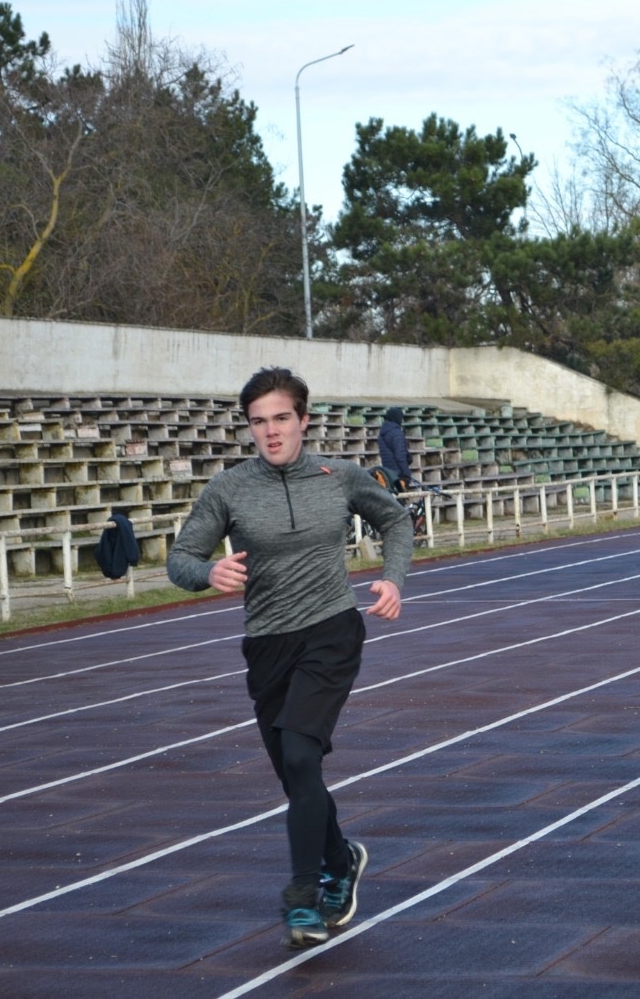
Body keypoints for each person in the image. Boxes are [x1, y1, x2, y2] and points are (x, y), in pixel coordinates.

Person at [168, 367, 414, 949]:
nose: (271, 432)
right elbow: (180, 559)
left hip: (331, 631)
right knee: (294, 774)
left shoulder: (341, 477)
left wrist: (393, 578)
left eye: (282, 418)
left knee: (302, 758)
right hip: (267, 643)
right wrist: (208, 571)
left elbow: (396, 519)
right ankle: (341, 857)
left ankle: (304, 896)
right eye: (259, 422)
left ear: (304, 420)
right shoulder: (229, 488)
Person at [376, 407, 413, 491]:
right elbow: (400, 456)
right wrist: (406, 474)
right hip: (398, 474)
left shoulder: (382, 433)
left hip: (388, 473)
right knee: (400, 499)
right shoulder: (396, 433)